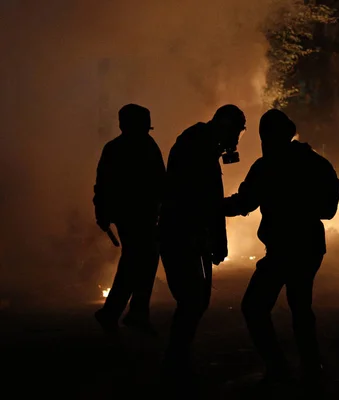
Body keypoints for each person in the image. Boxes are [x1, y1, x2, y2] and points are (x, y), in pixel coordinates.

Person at [224, 109, 339, 389]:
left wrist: (211, 206)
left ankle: (279, 369)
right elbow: (329, 208)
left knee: (254, 307)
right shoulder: (316, 163)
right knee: (301, 307)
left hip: (282, 249)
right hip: (310, 246)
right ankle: (311, 368)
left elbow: (244, 203)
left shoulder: (267, 166)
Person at [159, 104, 246, 375]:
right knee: (193, 299)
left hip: (187, 232)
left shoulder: (201, 144)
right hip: (182, 232)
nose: (236, 140)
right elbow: (204, 200)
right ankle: (175, 362)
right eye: (237, 132)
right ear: (225, 125)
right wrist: (216, 238)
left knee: (196, 299)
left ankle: (178, 358)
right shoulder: (198, 147)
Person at [93, 103, 165, 335]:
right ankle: (121, 313)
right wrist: (102, 212)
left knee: (140, 262)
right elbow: (104, 185)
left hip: (140, 216)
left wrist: (102, 213)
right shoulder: (132, 147)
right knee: (137, 262)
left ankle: (130, 313)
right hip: (135, 217)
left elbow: (102, 186)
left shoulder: (118, 148)